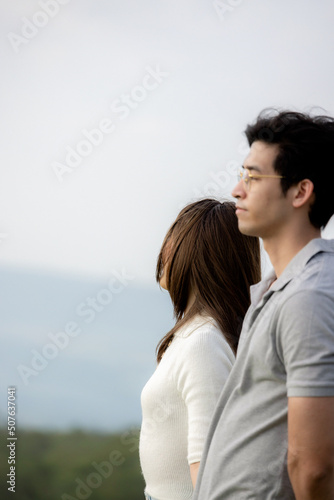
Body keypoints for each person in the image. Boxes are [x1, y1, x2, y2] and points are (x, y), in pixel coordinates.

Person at [193, 109, 334, 500]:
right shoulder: (278, 287)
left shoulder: (309, 296)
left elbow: (314, 466)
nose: (237, 190)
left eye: (253, 177)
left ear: (301, 192)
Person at [139, 198, 261, 500]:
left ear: (200, 254)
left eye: (174, 241)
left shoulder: (203, 343)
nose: (164, 251)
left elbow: (209, 471)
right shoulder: (194, 334)